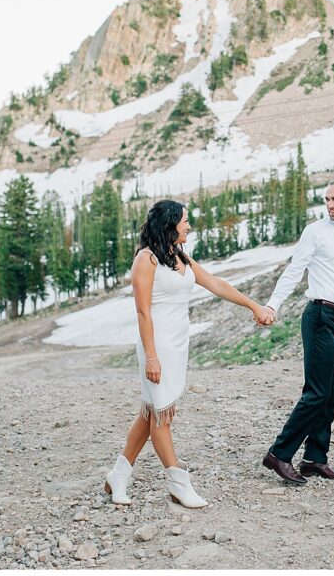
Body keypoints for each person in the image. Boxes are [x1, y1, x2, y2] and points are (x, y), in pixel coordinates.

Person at [104, 200, 273, 508]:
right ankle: (179, 482)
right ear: (169, 224)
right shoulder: (146, 259)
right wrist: (152, 357)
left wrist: (254, 306)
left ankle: (118, 474)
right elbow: (143, 312)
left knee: (151, 413)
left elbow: (217, 285)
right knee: (161, 416)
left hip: (178, 344)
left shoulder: (178, 256)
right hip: (156, 345)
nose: (189, 226)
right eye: (185, 221)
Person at [261, 178, 334, 484]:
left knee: (330, 393)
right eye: (326, 199)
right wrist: (273, 305)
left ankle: (314, 458)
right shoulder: (316, 232)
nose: (330, 205)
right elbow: (294, 270)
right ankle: (279, 454)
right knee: (316, 392)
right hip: (320, 315)